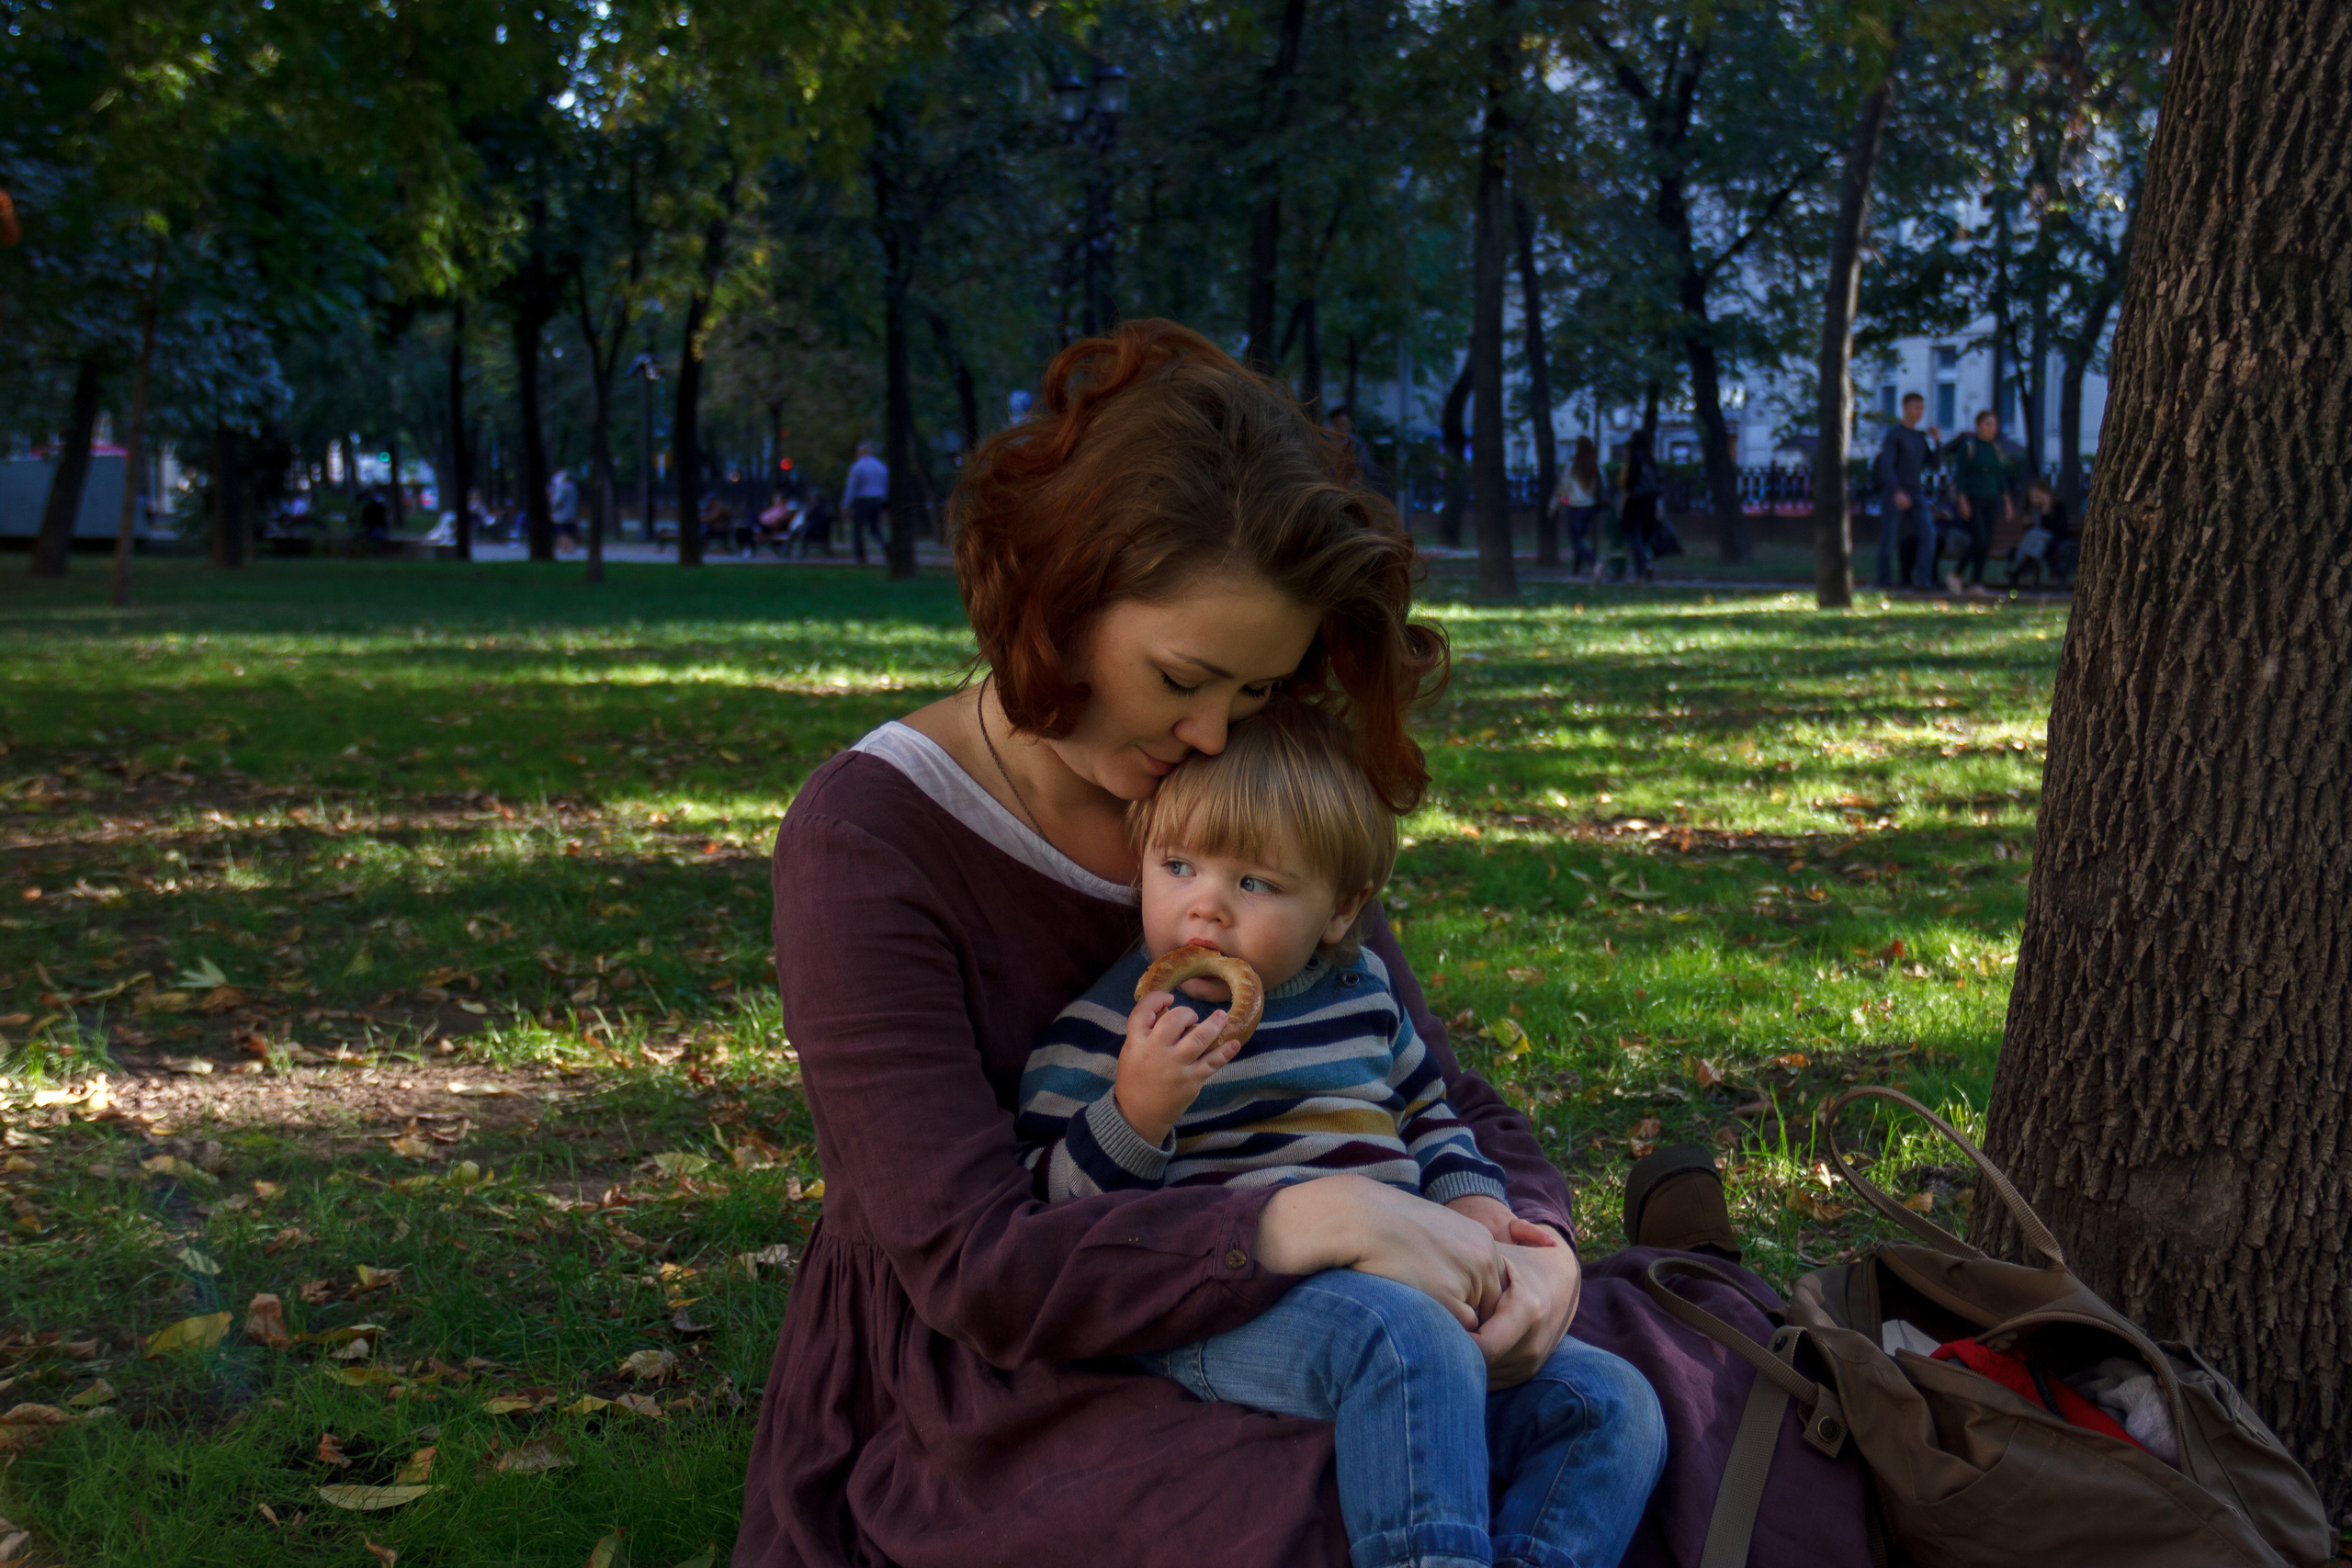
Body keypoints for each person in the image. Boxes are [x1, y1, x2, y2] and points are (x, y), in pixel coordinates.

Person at [737, 320, 1875, 1568]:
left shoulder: (1248, 796)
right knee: (1333, 1495)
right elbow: (978, 1266)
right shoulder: (868, 841)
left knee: (1670, 1419)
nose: (1215, 734)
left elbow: (1430, 1080)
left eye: (1258, 690)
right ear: (1059, 596)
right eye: (1185, 678)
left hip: (1349, 1276)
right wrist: (1300, 1218)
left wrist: (1537, 1248)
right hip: (1025, 1342)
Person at [1015, 699, 1665, 1568]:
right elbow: (1056, 1211)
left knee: (1614, 1402)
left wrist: (1473, 1202)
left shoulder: (1362, 994)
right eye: (1178, 865)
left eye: (1255, 883)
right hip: (1226, 1309)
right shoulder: (1108, 1031)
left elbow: (1428, 1113)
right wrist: (1138, 1112)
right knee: (1406, 1340)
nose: (1206, 908)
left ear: (1339, 907)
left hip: (1409, 1286)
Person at [1939, 412, 2015, 596]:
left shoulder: (1995, 448)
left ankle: (1976, 582)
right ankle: (1956, 574)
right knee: (1979, 538)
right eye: (1988, 424)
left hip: (1991, 498)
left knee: (1987, 541)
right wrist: (1962, 500)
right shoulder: (1969, 447)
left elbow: (2000, 476)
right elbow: (1961, 475)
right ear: (1978, 426)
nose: (1992, 428)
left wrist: (2007, 502)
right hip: (1974, 498)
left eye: (1994, 425)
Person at [1871, 392, 1940, 590]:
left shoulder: (1919, 437)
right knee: (1890, 535)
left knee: (1928, 533)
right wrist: (1896, 491)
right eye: (1915, 408)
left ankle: (1923, 579)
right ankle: (1883, 579)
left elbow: (1934, 465)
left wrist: (1937, 443)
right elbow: (1886, 465)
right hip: (1896, 490)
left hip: (1916, 490)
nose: (1919, 412)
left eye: (1922, 408)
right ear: (1905, 409)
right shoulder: (1895, 435)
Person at [2008, 477, 2075, 588]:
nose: (2034, 500)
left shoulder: (2058, 506)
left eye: (2037, 496)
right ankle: (2034, 580)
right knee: (2038, 545)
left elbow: (2056, 529)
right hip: (2037, 542)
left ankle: (2018, 566)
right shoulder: (2032, 509)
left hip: (2054, 538)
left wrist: (2045, 511)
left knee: (2033, 533)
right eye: (2032, 497)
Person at [1555, 435, 1604, 579]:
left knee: (1576, 542)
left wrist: (1560, 503)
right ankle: (1575, 573)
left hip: (1575, 506)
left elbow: (1564, 487)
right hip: (1590, 507)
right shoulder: (1595, 466)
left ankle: (1595, 562)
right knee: (1580, 540)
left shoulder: (1572, 466)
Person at [1619, 427, 1661, 583]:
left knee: (1635, 539)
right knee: (1643, 539)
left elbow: (1630, 483)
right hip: (1649, 503)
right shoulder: (1651, 460)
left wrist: (1623, 503)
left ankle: (1641, 571)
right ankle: (1647, 564)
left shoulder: (1635, 459)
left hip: (1635, 503)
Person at [841, 440, 888, 565]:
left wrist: (845, 505)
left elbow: (851, 487)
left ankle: (861, 557)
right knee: (875, 529)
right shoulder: (880, 466)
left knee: (858, 529)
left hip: (862, 500)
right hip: (878, 499)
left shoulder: (858, 467)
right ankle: (887, 548)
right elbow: (885, 486)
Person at [1326, 405, 1387, 499]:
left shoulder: (1357, 444)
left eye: (1344, 424)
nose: (1342, 428)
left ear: (1349, 424)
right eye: (1338, 425)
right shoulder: (1327, 444)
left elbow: (1366, 466)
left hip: (1353, 487)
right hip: (1331, 486)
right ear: (1333, 424)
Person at [548, 468, 581, 554]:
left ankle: (564, 548)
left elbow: (558, 501)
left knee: (562, 532)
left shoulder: (562, 488)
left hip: (562, 514)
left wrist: (551, 506)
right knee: (569, 531)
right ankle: (571, 547)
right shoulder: (572, 487)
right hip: (571, 513)